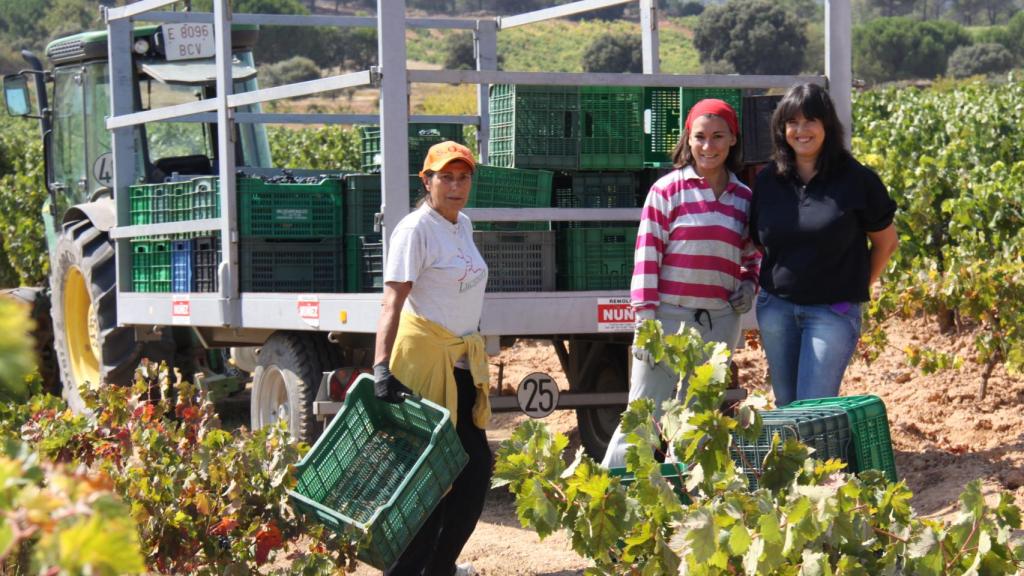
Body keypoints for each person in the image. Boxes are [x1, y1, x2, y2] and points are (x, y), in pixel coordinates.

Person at [601, 99, 762, 469]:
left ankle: (681, 496)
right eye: (700, 137)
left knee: (698, 420)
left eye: (718, 137)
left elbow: (752, 254)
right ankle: (616, 492)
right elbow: (647, 255)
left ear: (733, 139)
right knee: (643, 414)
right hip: (666, 319)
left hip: (719, 321)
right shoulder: (667, 191)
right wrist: (645, 319)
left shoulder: (743, 199)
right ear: (687, 140)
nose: (709, 146)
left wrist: (748, 285)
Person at [373, 141, 490, 576]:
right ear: (427, 181)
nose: (456, 186)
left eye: (463, 178)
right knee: (427, 480)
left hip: (458, 366)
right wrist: (381, 368)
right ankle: (408, 570)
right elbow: (392, 303)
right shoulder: (414, 230)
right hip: (423, 367)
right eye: (446, 177)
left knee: (472, 472)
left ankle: (439, 566)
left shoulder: (463, 225)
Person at [750, 82, 898, 407]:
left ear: (827, 126)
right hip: (777, 310)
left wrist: (856, 287)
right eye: (792, 122)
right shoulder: (768, 181)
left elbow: (886, 243)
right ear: (781, 128)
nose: (801, 130)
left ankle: (824, 459)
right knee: (787, 407)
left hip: (832, 312)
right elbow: (762, 242)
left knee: (814, 408)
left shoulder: (857, 180)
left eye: (810, 121)